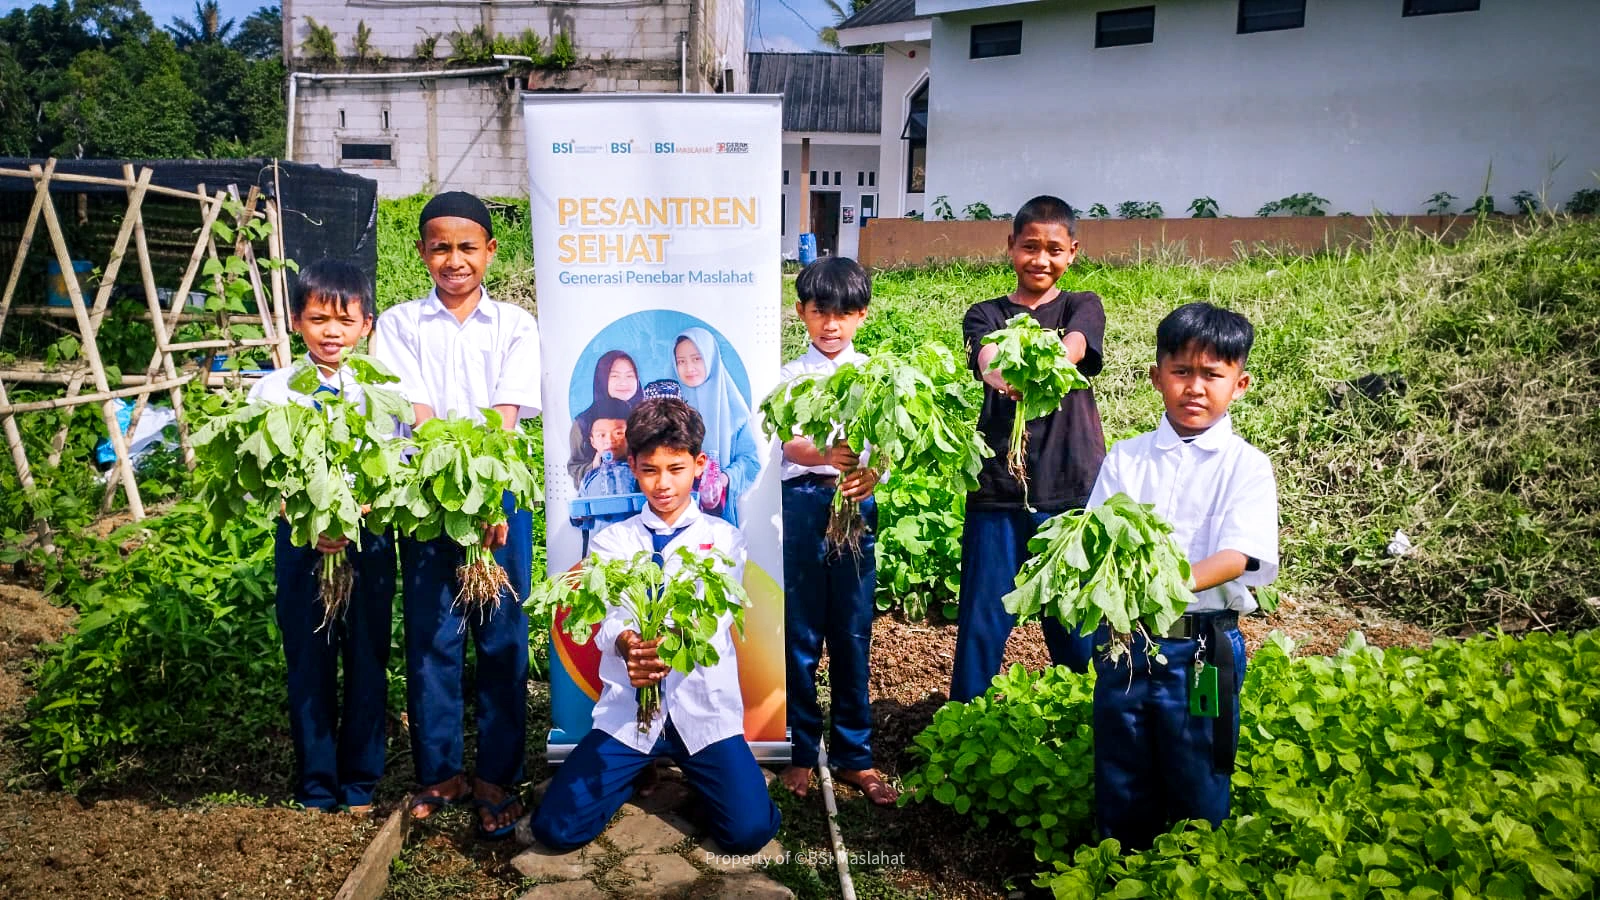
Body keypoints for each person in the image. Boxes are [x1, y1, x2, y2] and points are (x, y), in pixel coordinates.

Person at [523, 398, 781, 854]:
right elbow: (610, 617)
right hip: (631, 713)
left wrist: (667, 643)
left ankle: (714, 782)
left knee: (748, 833)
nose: (663, 484)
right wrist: (627, 645)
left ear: (699, 465)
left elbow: (714, 616)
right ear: (633, 467)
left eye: (676, 468)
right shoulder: (612, 541)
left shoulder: (724, 539)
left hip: (702, 713)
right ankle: (634, 769)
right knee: (555, 829)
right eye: (649, 470)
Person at [369, 191, 542, 840]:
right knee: (433, 639)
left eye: (467, 246)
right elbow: (415, 415)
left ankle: (497, 773)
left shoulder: (515, 326)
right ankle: (440, 771)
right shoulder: (399, 325)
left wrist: (490, 501)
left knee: (500, 638)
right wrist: (454, 494)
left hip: (499, 501)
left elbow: (503, 418)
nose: (454, 259)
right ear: (421, 253)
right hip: (428, 503)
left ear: (491, 252)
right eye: (440, 246)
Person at [1087, 302, 1278, 850]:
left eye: (1212, 375)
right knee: (1121, 768)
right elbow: (1098, 541)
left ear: (1239, 384)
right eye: (1181, 372)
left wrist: (1159, 583)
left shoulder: (1246, 465)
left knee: (1199, 769)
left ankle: (1192, 870)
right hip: (1127, 644)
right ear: (1156, 377)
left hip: (1202, 651)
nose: (1195, 387)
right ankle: (1118, 865)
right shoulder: (1127, 458)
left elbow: (1239, 556)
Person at [250, 259, 394, 814]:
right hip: (300, 542)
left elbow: (394, 464)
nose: (331, 331)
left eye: (344, 319)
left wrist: (360, 511)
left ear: (366, 325)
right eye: (317, 319)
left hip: (368, 538)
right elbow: (260, 476)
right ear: (295, 322)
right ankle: (316, 785)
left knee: (366, 658)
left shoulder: (377, 389)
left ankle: (360, 783)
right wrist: (308, 519)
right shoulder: (274, 390)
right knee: (308, 661)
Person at [949, 195, 1104, 703]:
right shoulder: (986, 313)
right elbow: (988, 358)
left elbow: (1076, 347)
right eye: (1030, 247)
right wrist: (1003, 375)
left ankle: (1085, 727)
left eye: (1054, 249)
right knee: (982, 623)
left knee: (1075, 626)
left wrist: (1040, 364)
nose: (1041, 259)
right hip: (998, 487)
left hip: (1070, 489)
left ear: (1073, 252)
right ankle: (964, 728)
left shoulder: (1082, 305)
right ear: (1010, 246)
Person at [774, 257, 896, 806]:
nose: (831, 325)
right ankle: (801, 752)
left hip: (855, 505)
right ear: (800, 312)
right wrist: (826, 452)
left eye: (844, 314)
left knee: (851, 631)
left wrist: (873, 474)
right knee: (799, 633)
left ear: (862, 316)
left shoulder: (875, 374)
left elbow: (888, 446)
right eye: (820, 312)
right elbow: (789, 443)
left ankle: (855, 755)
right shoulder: (789, 376)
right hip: (803, 503)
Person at [674, 327, 760, 525]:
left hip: (716, 513)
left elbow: (750, 461)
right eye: (681, 361)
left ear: (711, 359)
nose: (689, 368)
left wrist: (723, 479)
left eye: (697, 359)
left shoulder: (732, 407)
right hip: (672, 511)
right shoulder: (669, 403)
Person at [567, 350, 642, 489]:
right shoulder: (583, 423)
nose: (623, 383)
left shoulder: (648, 417)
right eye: (615, 376)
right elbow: (575, 468)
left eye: (630, 376)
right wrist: (595, 465)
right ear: (602, 378)